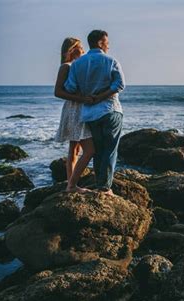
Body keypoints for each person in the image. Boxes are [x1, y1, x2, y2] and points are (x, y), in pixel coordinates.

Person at [64, 30, 125, 196]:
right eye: (106, 41)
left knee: (98, 149)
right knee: (110, 149)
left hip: (89, 114)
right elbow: (119, 85)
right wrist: (100, 96)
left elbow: (70, 87)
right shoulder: (111, 60)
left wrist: (87, 96)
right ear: (99, 43)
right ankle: (104, 188)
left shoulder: (77, 64)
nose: (108, 45)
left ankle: (100, 185)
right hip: (110, 110)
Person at [54, 37, 95, 193]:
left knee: (75, 150)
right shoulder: (66, 66)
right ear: (71, 50)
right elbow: (57, 92)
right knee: (87, 149)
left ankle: (71, 185)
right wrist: (82, 99)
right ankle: (72, 185)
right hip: (74, 109)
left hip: (79, 108)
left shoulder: (77, 66)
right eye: (80, 48)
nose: (83, 51)